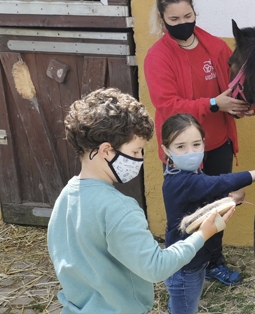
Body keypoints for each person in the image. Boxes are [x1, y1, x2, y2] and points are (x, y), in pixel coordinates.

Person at [47, 88, 234, 313]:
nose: (140, 159)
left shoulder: (66, 197)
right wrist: (203, 234)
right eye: (136, 152)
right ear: (106, 150)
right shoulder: (119, 208)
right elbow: (156, 267)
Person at [145, 0, 251, 286]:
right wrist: (215, 103)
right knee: (183, 213)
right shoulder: (158, 56)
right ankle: (181, 266)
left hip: (216, 142)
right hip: (182, 150)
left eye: (188, 16)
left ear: (195, 13)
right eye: (175, 18)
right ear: (162, 18)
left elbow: (233, 85)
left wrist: (240, 105)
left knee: (218, 205)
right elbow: (167, 105)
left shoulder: (215, 47)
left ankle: (213, 262)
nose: (183, 23)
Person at [160, 113, 255, 314]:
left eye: (196, 144)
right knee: (184, 303)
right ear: (167, 150)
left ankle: (182, 303)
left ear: (203, 143)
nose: (190, 152)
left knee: (188, 295)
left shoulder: (188, 174)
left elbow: (207, 198)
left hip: (195, 258)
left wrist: (230, 199)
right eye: (180, 147)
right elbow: (216, 184)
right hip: (185, 265)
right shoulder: (181, 181)